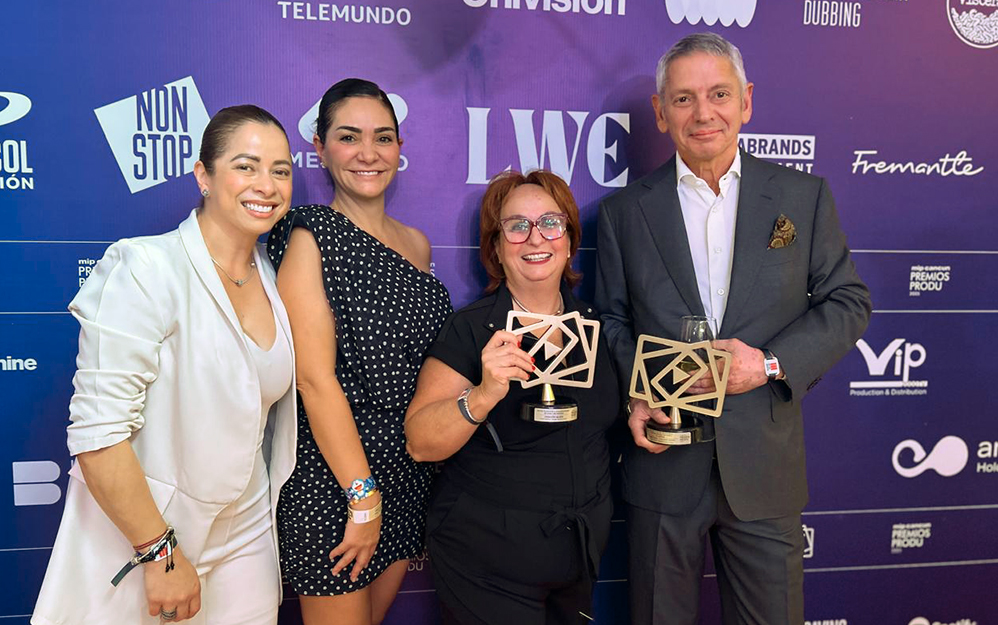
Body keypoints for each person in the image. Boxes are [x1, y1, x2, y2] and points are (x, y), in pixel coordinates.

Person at [595, 33, 872, 625]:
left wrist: (768, 364)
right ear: (660, 112)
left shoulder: (803, 197)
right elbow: (611, 321)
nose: (703, 113)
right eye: (684, 98)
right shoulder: (623, 214)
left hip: (765, 470)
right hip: (663, 461)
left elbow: (848, 301)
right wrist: (638, 391)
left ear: (746, 101)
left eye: (719, 94)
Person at [31, 105, 298, 625]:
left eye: (280, 170)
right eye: (245, 166)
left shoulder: (275, 276)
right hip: (140, 537)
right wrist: (159, 551)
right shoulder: (146, 266)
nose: (266, 185)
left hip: (247, 535)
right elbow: (98, 433)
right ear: (204, 175)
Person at [266, 78, 451, 625]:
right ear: (320, 148)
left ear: (398, 147)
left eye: (383, 137)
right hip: (337, 480)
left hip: (407, 470)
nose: (368, 153)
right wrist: (362, 497)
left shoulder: (417, 243)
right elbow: (313, 380)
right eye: (349, 137)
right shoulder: (310, 234)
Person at [406, 170, 621, 625]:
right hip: (487, 567)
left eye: (550, 223)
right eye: (517, 226)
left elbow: (609, 429)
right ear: (496, 247)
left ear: (569, 240)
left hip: (577, 561)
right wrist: (482, 395)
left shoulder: (596, 326)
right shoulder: (471, 329)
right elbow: (421, 442)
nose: (536, 237)